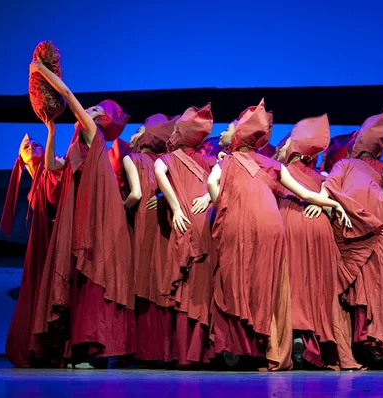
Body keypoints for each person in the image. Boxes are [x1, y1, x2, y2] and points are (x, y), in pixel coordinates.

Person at [207, 99, 350, 371]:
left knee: (234, 277)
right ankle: (269, 344)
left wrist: (223, 207)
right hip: (272, 222)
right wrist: (334, 204)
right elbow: (306, 194)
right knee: (268, 283)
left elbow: (213, 183)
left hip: (239, 218)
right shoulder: (273, 165)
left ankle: (238, 344)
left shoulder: (226, 160)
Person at [28, 60, 135, 369]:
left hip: (96, 219)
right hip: (83, 216)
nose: (89, 109)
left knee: (92, 279)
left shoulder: (91, 134)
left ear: (100, 121)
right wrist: (50, 131)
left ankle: (93, 348)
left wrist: (40, 71)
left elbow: (66, 94)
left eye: (96, 109)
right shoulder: (80, 142)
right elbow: (51, 166)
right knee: (82, 280)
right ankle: (86, 348)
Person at [316, 109, 383, 368]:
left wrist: (337, 207)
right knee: (381, 282)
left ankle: (367, 342)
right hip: (379, 227)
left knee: (362, 284)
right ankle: (378, 344)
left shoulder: (344, 164)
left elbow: (328, 187)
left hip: (360, 227)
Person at [276, 114, 361, 370]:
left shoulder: (277, 170)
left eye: (284, 145)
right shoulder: (322, 177)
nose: (280, 149)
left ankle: (292, 338)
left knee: (291, 284)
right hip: (320, 230)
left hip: (290, 222)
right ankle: (315, 341)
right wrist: (326, 206)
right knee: (317, 286)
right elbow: (331, 201)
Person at [153, 103, 216, 368]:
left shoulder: (165, 159)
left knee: (185, 285)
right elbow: (219, 183)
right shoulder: (210, 160)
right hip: (205, 222)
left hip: (185, 220)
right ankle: (200, 352)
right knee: (202, 286)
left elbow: (159, 174)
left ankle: (184, 353)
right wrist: (207, 199)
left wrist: (176, 207)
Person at [1, 129, 63, 367]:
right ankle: (42, 348)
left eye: (37, 144)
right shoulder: (33, 190)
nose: (31, 146)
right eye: (27, 147)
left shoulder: (56, 167)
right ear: (21, 160)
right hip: (45, 247)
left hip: (62, 241)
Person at [128, 114, 179, 364]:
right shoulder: (166, 161)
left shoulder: (134, 159)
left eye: (138, 130)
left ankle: (145, 349)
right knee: (160, 277)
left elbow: (135, 194)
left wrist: (117, 207)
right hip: (163, 223)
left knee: (143, 278)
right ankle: (164, 349)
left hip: (143, 223)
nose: (132, 136)